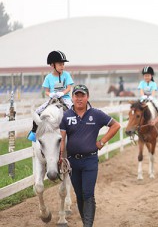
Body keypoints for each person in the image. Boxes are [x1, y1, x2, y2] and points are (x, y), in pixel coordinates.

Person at [59, 84, 120, 227]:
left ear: (87, 97)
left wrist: (102, 141)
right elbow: (62, 139)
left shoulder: (96, 114)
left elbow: (116, 125)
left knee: (88, 194)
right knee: (79, 196)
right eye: (77, 95)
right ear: (72, 97)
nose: (79, 99)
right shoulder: (66, 116)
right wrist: (61, 157)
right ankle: (86, 222)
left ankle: (88, 225)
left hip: (90, 161)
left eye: (82, 95)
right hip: (73, 162)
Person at [27, 50, 74, 142]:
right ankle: (34, 132)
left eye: (63, 64)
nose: (62, 66)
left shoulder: (66, 75)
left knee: (74, 112)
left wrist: (63, 93)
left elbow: (69, 88)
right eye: (60, 64)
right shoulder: (48, 77)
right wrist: (51, 94)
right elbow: (46, 92)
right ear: (53, 65)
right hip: (53, 99)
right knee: (37, 112)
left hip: (66, 99)